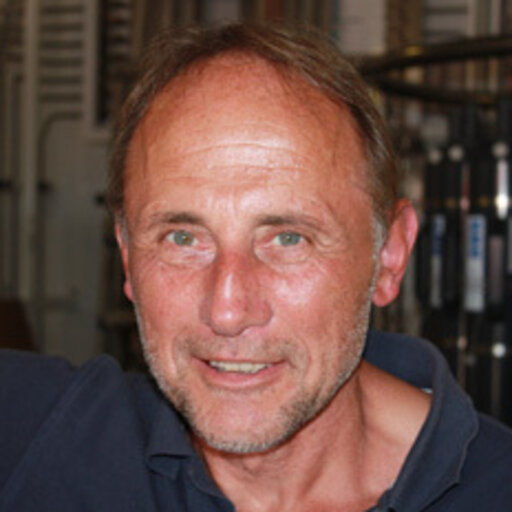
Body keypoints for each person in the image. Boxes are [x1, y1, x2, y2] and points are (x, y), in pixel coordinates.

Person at [1, 23, 512, 512]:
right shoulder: (42, 441)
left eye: (289, 239)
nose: (227, 310)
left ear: (389, 256)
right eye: (183, 238)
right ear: (129, 256)